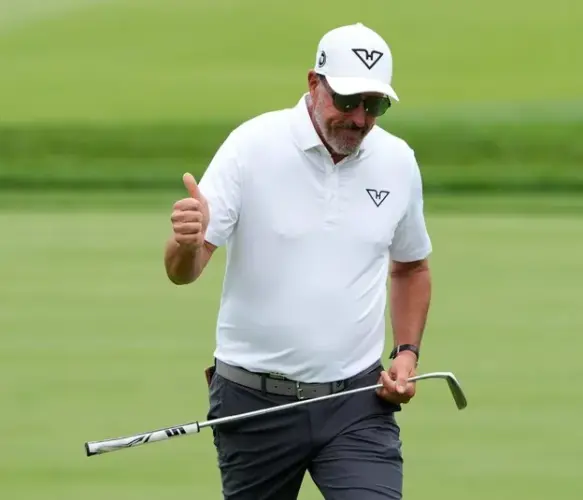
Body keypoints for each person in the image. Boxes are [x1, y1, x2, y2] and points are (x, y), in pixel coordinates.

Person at [163, 22, 432, 500]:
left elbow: (410, 266)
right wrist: (185, 243)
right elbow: (185, 271)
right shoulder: (252, 147)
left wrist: (406, 356)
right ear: (314, 84)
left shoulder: (396, 161)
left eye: (375, 105)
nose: (359, 118)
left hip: (356, 401)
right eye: (347, 101)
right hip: (253, 402)